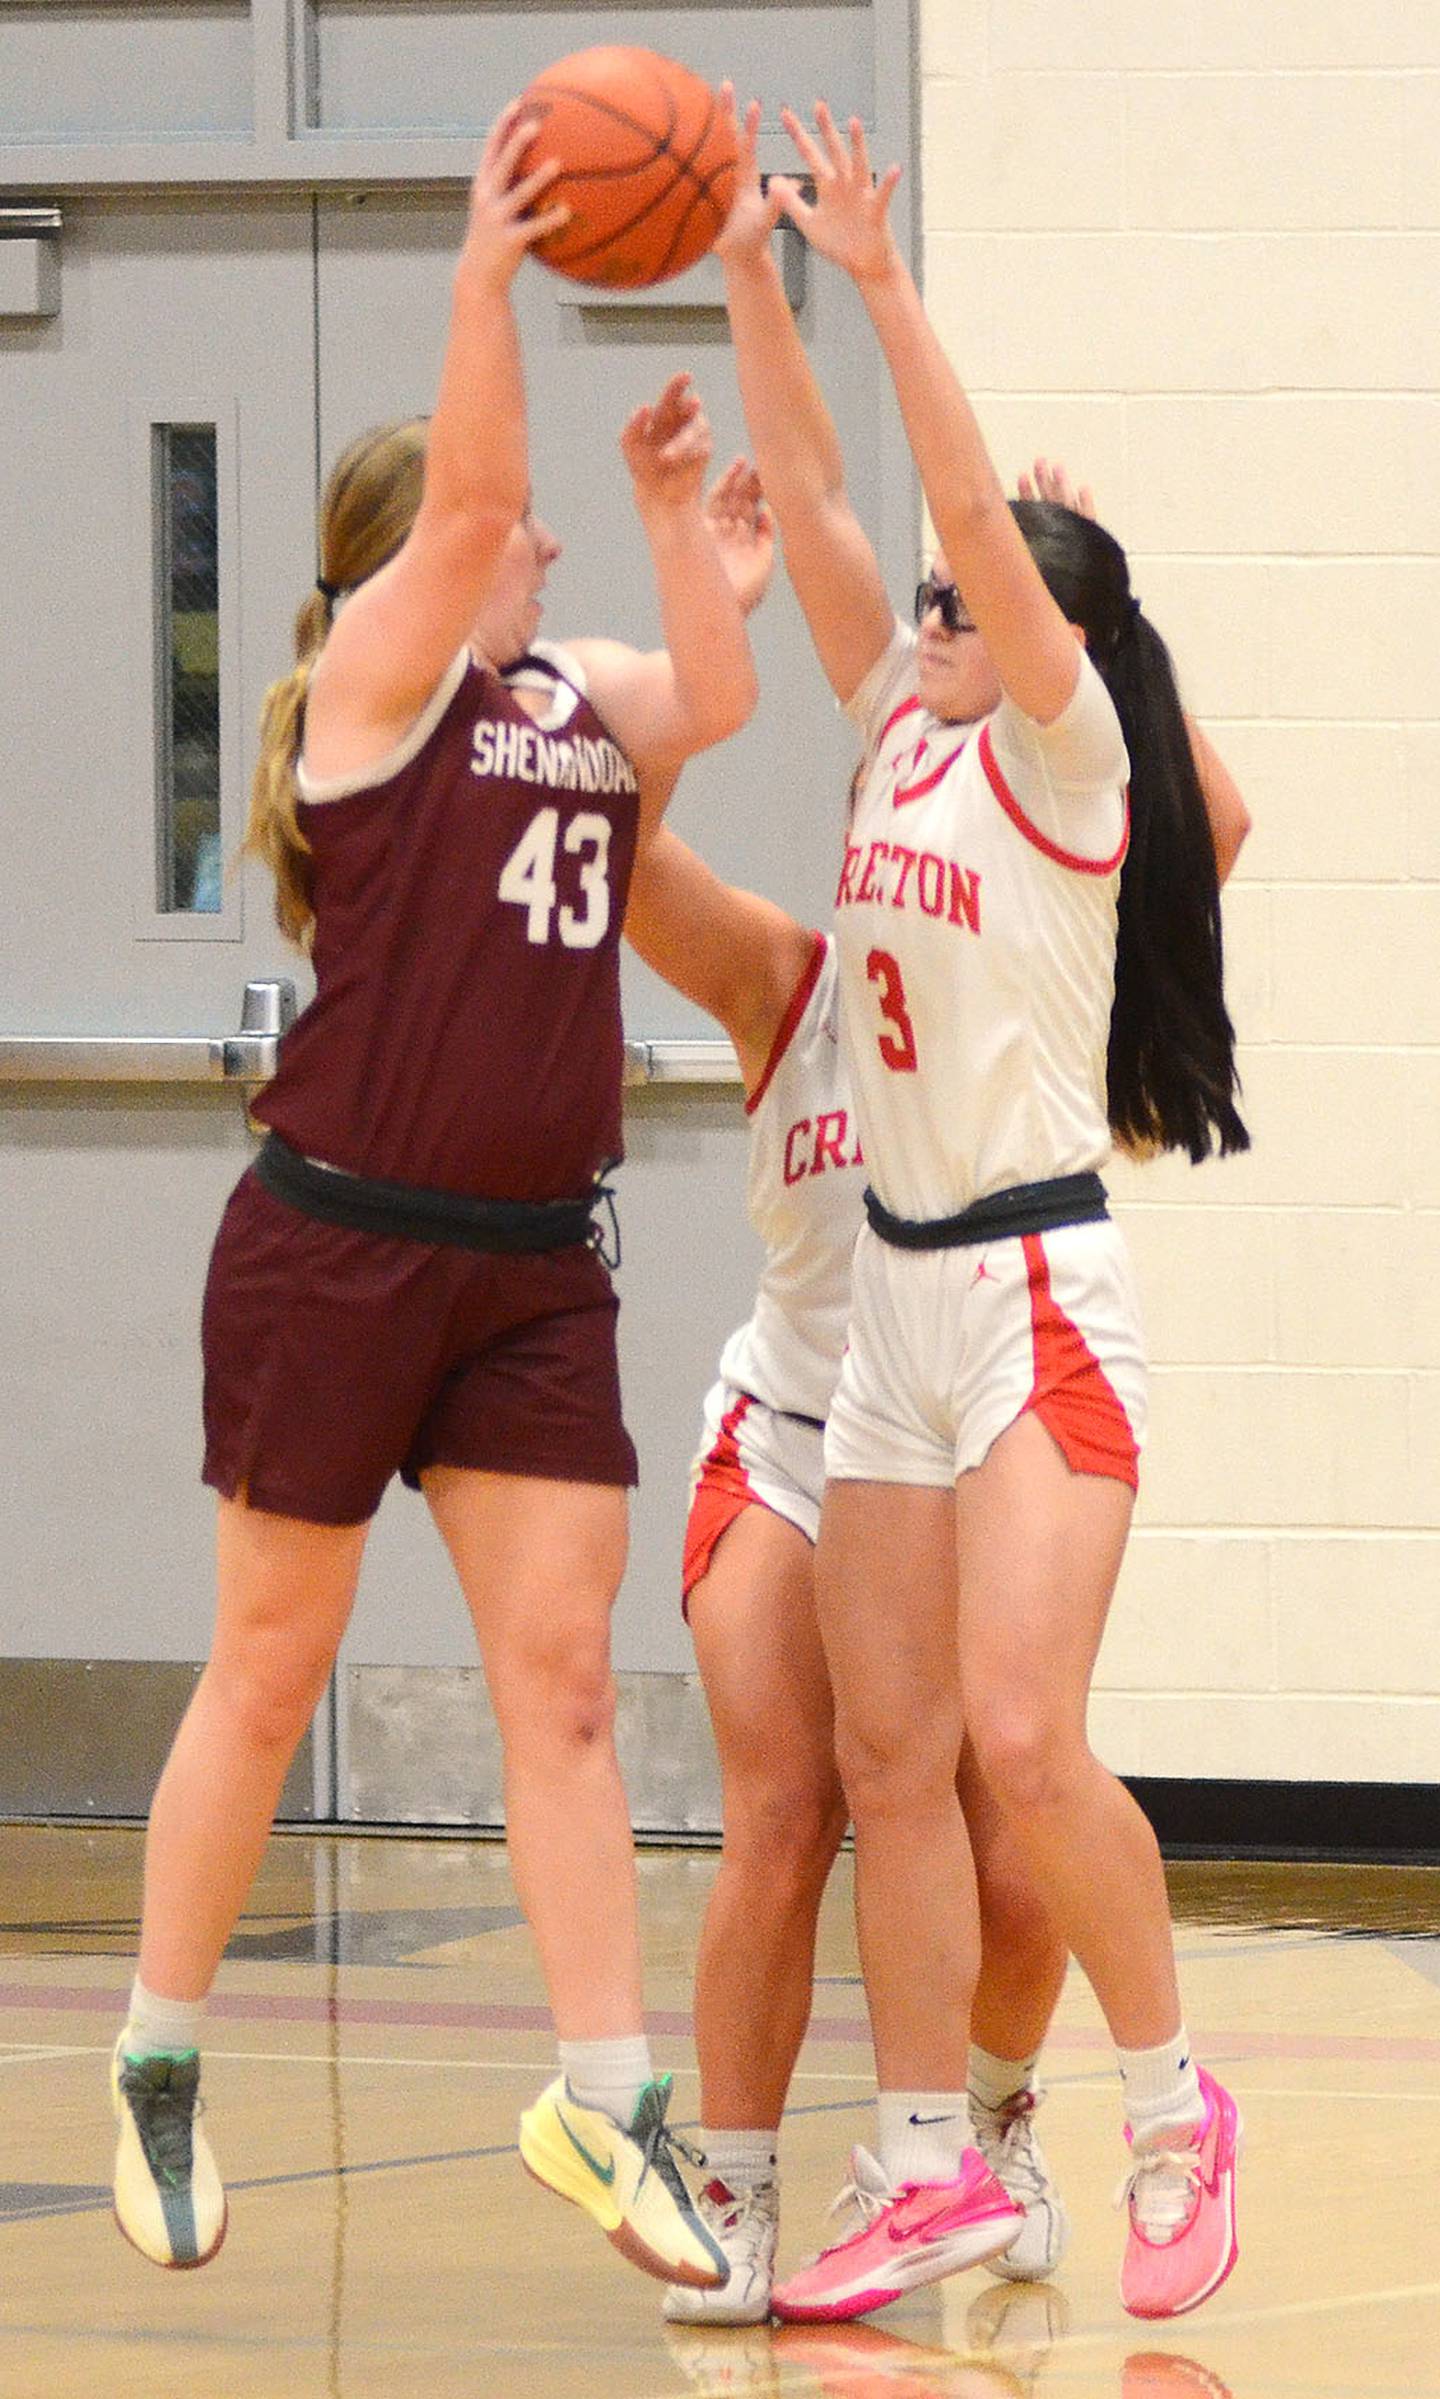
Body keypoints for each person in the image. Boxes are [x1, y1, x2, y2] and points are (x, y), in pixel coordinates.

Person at [108, 101, 758, 2292]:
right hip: (337, 1248)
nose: (544, 548)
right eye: (530, 529)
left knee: (564, 1692)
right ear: (420, 559)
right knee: (269, 1677)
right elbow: (476, 488)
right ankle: (161, 2056)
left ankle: (607, 2104)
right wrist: (486, 279)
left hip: (527, 1275)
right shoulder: (371, 704)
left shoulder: (577, 701)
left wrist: (684, 518)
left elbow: (728, 688)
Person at [713, 95, 1249, 2325]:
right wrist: (747, 275)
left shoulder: (1060, 754)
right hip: (888, 1331)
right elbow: (839, 509)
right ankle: (927, 2158)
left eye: (979, 595)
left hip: (1033, 1287)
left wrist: (882, 281)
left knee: (1022, 1742)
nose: (930, 605)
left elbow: (935, 506)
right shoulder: (902, 725)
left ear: (1047, 635)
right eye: (939, 602)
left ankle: (1172, 2096)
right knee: (886, 1763)